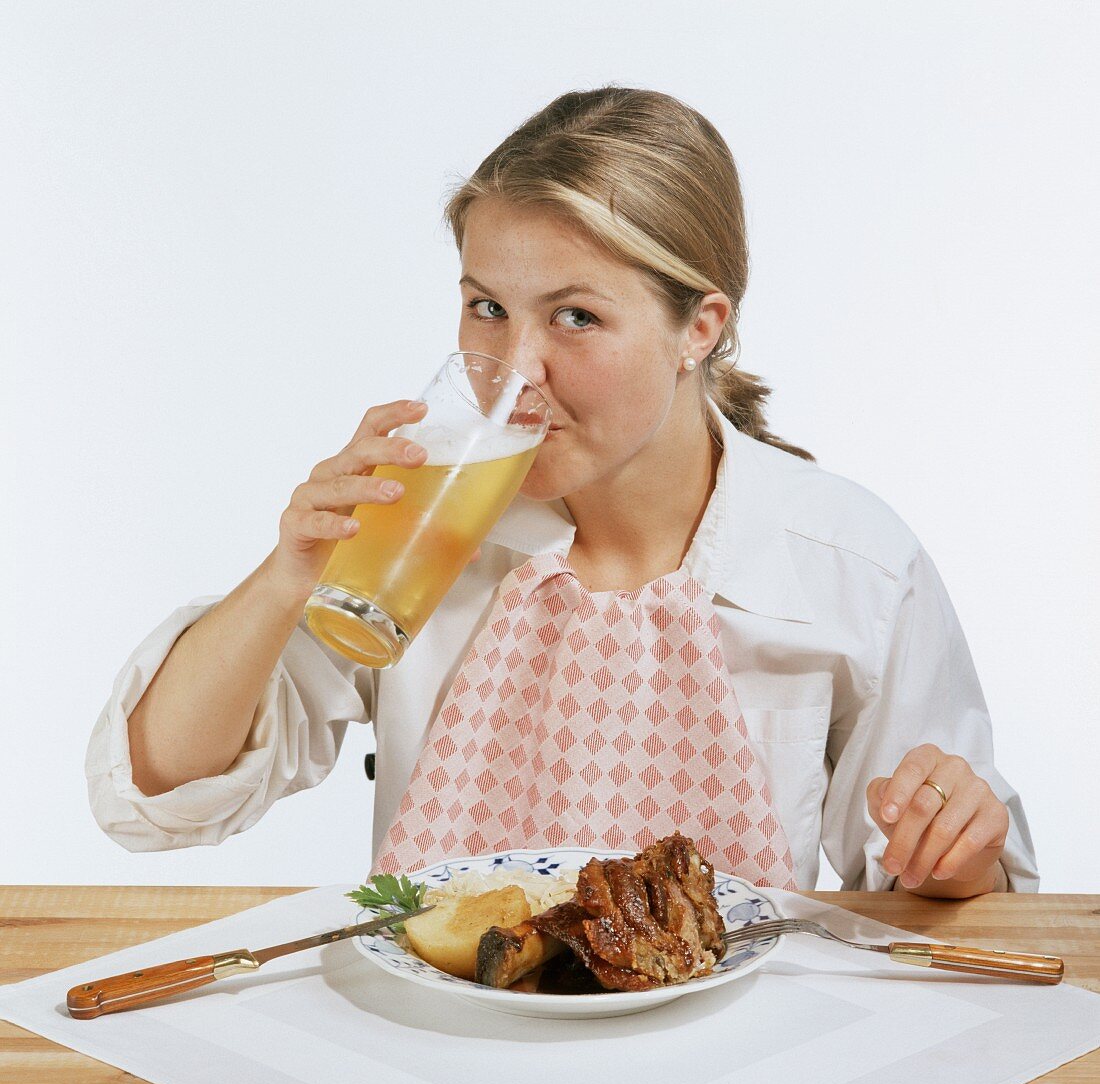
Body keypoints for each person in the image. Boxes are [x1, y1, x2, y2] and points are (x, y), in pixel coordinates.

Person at [86, 86, 1037, 896]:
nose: (514, 370)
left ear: (699, 328)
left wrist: (952, 849)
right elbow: (157, 790)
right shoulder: (418, 526)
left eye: (576, 317)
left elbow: (953, 896)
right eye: (486, 307)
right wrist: (287, 571)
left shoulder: (852, 565)